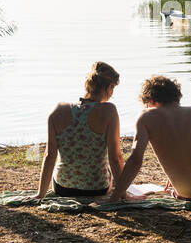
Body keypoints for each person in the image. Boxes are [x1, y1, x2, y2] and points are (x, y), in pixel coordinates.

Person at [106, 74, 191, 203]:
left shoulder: (146, 117)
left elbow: (135, 160)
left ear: (151, 101)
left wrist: (115, 197)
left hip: (186, 194)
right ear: (176, 96)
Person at [33, 62, 124, 199]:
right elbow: (115, 158)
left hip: (63, 188)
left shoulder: (58, 110)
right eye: (113, 89)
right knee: (110, 172)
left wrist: (40, 194)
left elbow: (49, 156)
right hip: (97, 189)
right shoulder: (109, 110)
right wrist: (124, 193)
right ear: (109, 87)